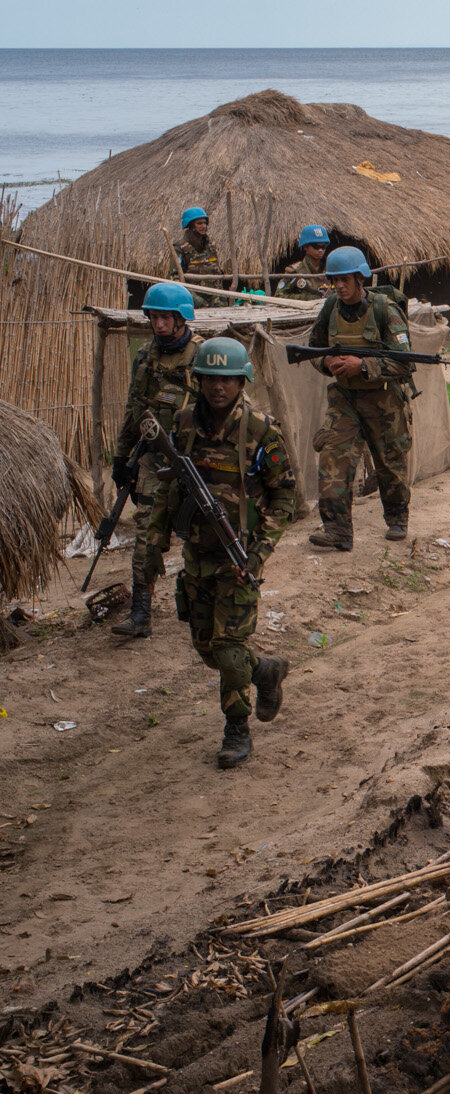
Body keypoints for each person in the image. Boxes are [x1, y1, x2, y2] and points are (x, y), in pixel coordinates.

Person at [137, 337, 298, 768]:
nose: (218, 388)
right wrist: (155, 547)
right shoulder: (185, 424)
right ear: (199, 380)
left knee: (228, 649)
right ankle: (265, 670)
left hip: (238, 557)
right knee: (207, 648)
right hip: (197, 556)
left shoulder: (261, 429)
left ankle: (236, 730)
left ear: (241, 381)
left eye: (227, 380)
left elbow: (285, 498)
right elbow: (168, 486)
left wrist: (258, 554)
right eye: (210, 379)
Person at [108, 281, 205, 638]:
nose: (159, 324)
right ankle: (141, 613)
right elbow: (135, 409)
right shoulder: (145, 357)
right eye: (154, 317)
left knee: (205, 533)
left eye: (166, 318)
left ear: (181, 319)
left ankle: (207, 607)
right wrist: (121, 457)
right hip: (154, 459)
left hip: (197, 458)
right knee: (147, 534)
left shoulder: (202, 355)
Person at [304, 246, 415, 550]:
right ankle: (337, 530)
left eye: (345, 279)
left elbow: (404, 362)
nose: (339, 286)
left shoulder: (384, 309)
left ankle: (397, 518)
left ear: (360, 278)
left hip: (383, 399)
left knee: (389, 461)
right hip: (344, 398)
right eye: (334, 280)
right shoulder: (330, 309)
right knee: (332, 458)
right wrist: (327, 363)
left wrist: (363, 365)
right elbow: (313, 349)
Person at [172, 206, 228, 302]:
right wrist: (196, 300)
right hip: (195, 302)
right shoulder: (180, 248)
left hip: (216, 301)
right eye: (199, 223)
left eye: (205, 223)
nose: (203, 226)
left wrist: (222, 299)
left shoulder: (210, 247)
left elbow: (217, 273)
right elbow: (175, 278)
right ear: (190, 226)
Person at [277, 224, 333, 300]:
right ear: (305, 247)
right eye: (316, 246)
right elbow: (279, 296)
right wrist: (306, 297)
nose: (320, 250)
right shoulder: (295, 271)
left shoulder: (332, 268)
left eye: (323, 247)